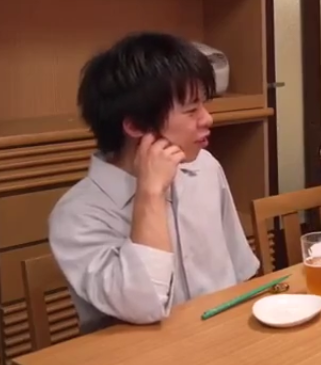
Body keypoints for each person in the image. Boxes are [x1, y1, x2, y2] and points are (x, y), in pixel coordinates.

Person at [49, 32, 259, 333]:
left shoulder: (204, 167)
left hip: (223, 339)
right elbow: (143, 305)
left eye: (204, 105)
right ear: (135, 125)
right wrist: (150, 192)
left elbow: (240, 272)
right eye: (191, 110)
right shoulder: (76, 215)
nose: (207, 119)